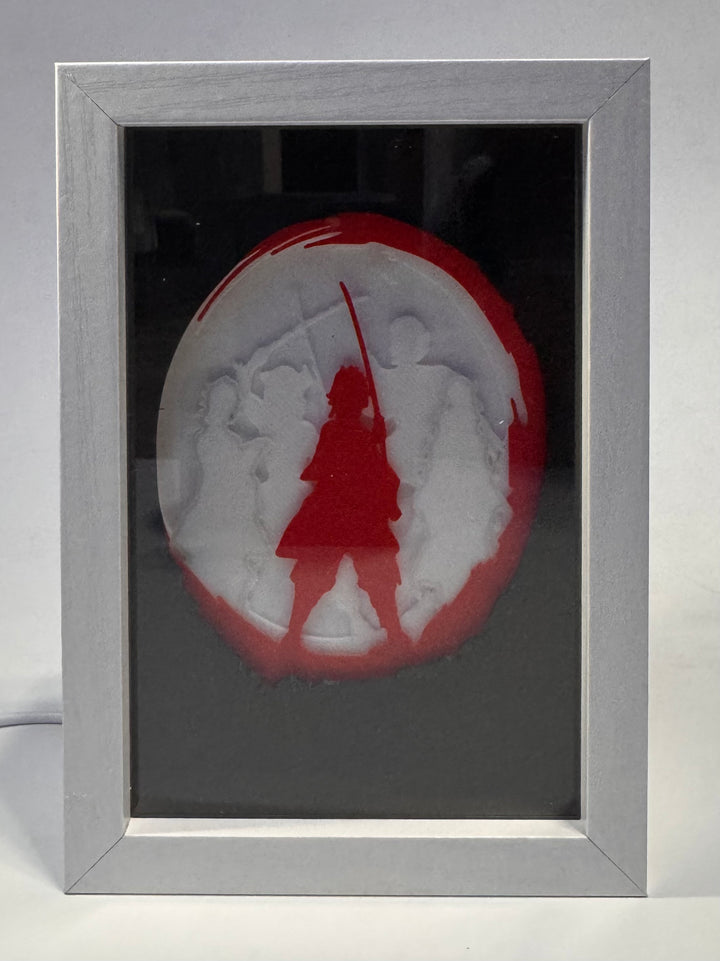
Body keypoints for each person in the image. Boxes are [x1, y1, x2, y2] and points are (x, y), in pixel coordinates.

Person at [276, 365, 409, 656]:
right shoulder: (337, 431)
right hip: (337, 512)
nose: (350, 406)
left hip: (353, 514)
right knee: (314, 573)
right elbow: (333, 464)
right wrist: (372, 441)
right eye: (348, 400)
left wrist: (374, 441)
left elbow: (373, 472)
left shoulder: (357, 433)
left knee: (378, 575)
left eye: (353, 399)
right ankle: (294, 634)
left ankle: (394, 631)